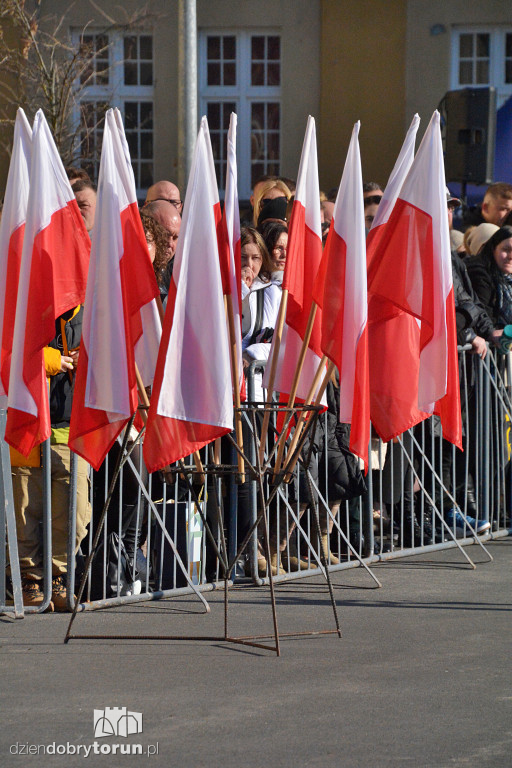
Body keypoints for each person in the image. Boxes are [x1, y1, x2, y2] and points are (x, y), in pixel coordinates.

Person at [11, 308, 91, 610]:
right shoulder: (26, 297)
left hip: (70, 428)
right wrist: (51, 360)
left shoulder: (91, 305)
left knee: (75, 512)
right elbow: (10, 349)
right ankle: (27, 579)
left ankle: (58, 577)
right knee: (24, 510)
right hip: (26, 425)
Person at [466, 226, 512, 328]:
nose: (510, 256)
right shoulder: (478, 273)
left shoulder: (507, 276)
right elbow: (482, 314)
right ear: (493, 249)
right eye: (506, 249)